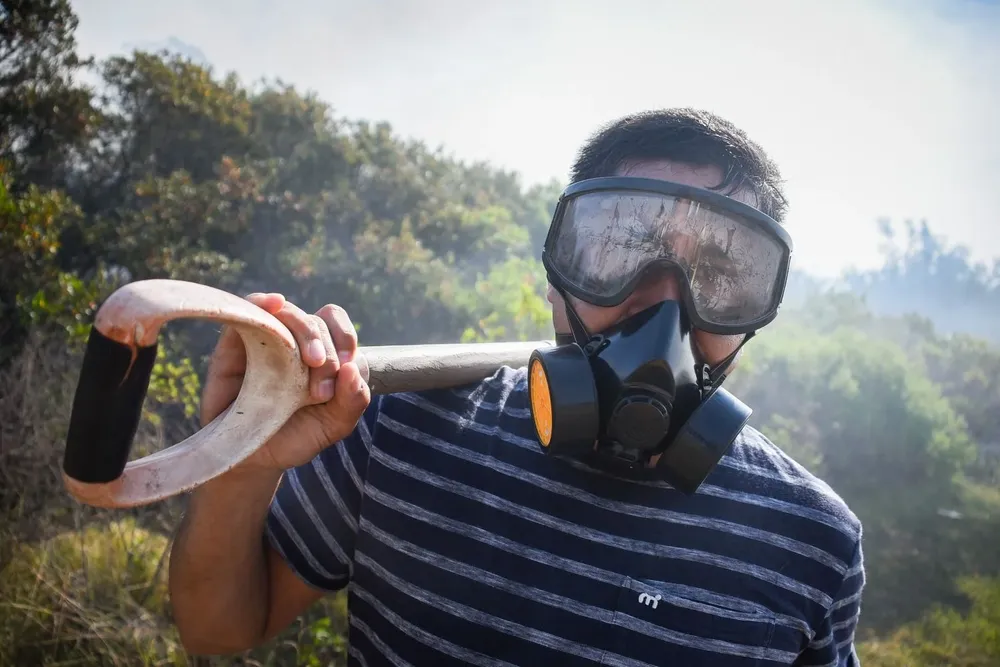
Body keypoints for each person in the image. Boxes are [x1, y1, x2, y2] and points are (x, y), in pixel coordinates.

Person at [168, 108, 865, 666]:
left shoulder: (815, 540)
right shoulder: (400, 425)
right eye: (621, 249)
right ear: (559, 278)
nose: (663, 304)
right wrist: (241, 463)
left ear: (753, 315)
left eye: (718, 272)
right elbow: (217, 628)